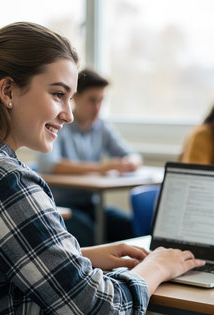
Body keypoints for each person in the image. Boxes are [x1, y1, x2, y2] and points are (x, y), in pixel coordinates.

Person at [0, 22, 204, 314]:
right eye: (58, 94)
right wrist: (159, 266)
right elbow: (102, 308)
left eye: (70, 98)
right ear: (8, 92)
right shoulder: (8, 182)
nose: (68, 115)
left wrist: (80, 257)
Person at [36, 68, 141, 246]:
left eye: (101, 101)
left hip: (92, 205)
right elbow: (49, 165)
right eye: (92, 100)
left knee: (130, 228)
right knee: (91, 233)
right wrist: (101, 168)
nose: (97, 107)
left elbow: (133, 156)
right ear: (75, 98)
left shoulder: (102, 127)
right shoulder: (57, 124)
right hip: (62, 206)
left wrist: (130, 162)